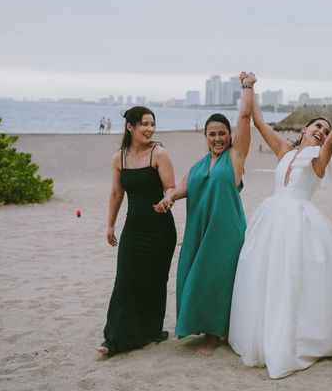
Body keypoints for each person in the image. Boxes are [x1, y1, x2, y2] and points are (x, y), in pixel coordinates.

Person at [228, 83, 332, 379]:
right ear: (304, 129)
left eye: (324, 130)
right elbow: (259, 122)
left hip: (299, 221)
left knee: (292, 277)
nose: (321, 131)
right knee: (261, 272)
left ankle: (293, 337)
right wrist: (249, 88)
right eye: (317, 127)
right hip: (271, 218)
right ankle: (259, 332)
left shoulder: (318, 159)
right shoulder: (284, 150)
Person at [154, 72, 254, 355]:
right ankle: (203, 327)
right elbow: (183, 186)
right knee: (193, 275)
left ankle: (214, 335)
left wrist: (247, 87)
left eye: (223, 133)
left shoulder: (234, 158)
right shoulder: (200, 163)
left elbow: (245, 119)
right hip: (199, 228)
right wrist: (168, 198)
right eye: (213, 134)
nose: (218, 138)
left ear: (230, 135)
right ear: (205, 136)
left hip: (224, 231)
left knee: (215, 278)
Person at [98, 106, 177, 356]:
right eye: (144, 124)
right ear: (130, 127)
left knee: (154, 281)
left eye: (152, 124)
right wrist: (110, 224)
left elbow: (171, 187)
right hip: (134, 229)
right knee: (124, 280)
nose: (150, 129)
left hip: (160, 229)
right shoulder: (119, 157)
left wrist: (168, 199)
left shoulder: (159, 153)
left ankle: (150, 330)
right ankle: (114, 338)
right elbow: (116, 193)